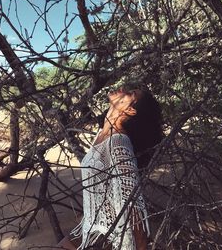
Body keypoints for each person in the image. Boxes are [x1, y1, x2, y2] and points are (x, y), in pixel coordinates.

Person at [59, 85, 162, 250]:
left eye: (130, 94)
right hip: (92, 228)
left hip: (112, 236)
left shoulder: (118, 142)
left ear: (130, 111)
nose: (122, 88)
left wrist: (140, 246)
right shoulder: (101, 135)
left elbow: (131, 204)